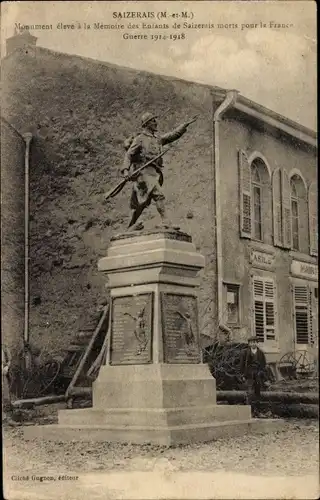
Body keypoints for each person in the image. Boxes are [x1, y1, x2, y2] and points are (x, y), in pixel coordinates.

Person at [121, 112, 197, 231]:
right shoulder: (140, 139)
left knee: (142, 203)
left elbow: (173, 135)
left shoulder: (157, 139)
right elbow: (129, 155)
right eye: (153, 121)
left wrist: (184, 125)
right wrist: (125, 170)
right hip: (143, 173)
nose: (156, 123)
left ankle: (130, 227)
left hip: (154, 173)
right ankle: (166, 221)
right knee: (159, 195)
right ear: (146, 124)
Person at [240, 336, 267, 414]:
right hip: (248, 375)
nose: (253, 344)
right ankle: (249, 412)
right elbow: (241, 365)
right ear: (249, 344)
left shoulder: (261, 353)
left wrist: (261, 373)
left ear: (257, 343)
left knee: (257, 392)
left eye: (255, 342)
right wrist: (242, 375)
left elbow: (263, 365)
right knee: (249, 392)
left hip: (257, 374)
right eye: (251, 342)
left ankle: (257, 410)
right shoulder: (244, 352)